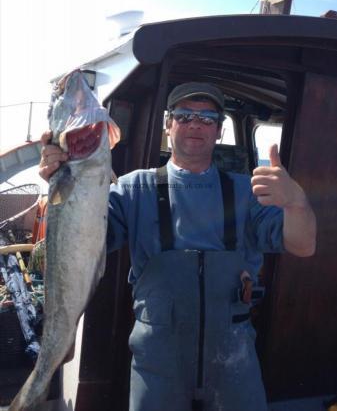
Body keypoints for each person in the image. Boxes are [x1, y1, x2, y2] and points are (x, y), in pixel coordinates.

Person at [39, 82, 316, 411]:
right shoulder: (130, 190)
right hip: (157, 360)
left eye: (207, 117)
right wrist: (65, 183)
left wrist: (297, 204)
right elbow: (79, 246)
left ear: (219, 130)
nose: (195, 123)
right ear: (168, 125)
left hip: (235, 358)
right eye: (184, 116)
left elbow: (303, 245)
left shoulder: (249, 192)